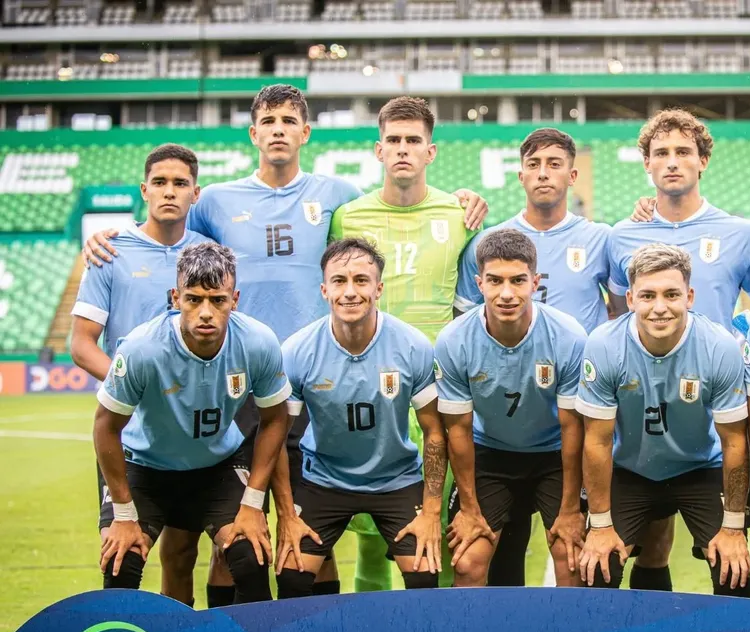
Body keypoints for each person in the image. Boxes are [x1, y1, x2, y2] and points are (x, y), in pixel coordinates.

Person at [81, 85, 488, 604]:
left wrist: (465, 199)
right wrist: (115, 236)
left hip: (313, 382)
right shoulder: (219, 202)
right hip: (233, 383)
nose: (277, 129)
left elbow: (399, 192)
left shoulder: (339, 196)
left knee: (305, 525)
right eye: (267, 120)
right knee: (230, 537)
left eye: (288, 120)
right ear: (254, 134)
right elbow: (174, 241)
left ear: (305, 133)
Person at [607, 109, 750, 593]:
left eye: (683, 152)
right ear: (647, 165)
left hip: (716, 408)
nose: (672, 162)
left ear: (703, 162)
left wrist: (740, 341)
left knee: (730, 553)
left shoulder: (741, 233)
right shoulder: (622, 235)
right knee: (648, 542)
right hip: (641, 410)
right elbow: (620, 315)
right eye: (661, 153)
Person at [330, 96, 488, 591]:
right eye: (393, 140)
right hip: (368, 391)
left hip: (437, 393)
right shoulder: (347, 217)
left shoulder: (461, 214)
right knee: (371, 537)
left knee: (434, 530)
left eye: (413, 141)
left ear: (431, 151)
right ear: (378, 150)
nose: (403, 149)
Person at [454, 127, 612, 587]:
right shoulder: (489, 242)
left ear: (573, 175)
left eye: (555, 164)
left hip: (569, 418)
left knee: (576, 557)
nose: (544, 173)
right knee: (498, 558)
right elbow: (468, 324)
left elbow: (622, 313)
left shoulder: (602, 238)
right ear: (520, 174)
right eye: (535, 165)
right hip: (500, 422)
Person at [94, 241, 290, 603]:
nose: (205, 312)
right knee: (122, 563)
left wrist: (252, 502)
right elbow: (106, 426)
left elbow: (276, 419)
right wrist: (123, 513)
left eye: (218, 300)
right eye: (193, 299)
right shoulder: (142, 349)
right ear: (174, 298)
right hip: (144, 467)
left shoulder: (259, 342)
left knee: (250, 555)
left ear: (235, 299)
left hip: (217, 466)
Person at [70, 144, 212, 605]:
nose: (169, 192)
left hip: (191, 424)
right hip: (129, 426)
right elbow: (81, 343)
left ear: (196, 193)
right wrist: (131, 384)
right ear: (144, 190)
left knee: (182, 551)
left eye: (180, 184)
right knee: (122, 549)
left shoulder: (209, 256)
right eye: (160, 182)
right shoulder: (111, 252)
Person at [272, 238, 446, 596]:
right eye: (339, 281)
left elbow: (434, 433)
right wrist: (287, 516)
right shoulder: (297, 351)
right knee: (291, 575)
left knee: (424, 572)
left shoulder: (412, 346)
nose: (350, 292)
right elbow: (276, 436)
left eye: (361, 281)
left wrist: (430, 514)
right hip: (324, 478)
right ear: (324, 289)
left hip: (395, 478)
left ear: (378, 288)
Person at [575, 243, 750, 594]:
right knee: (598, 568)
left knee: (733, 570)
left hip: (700, 469)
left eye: (671, 294)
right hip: (632, 470)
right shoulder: (604, 345)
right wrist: (599, 526)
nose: (659, 308)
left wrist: (733, 527)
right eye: (647, 296)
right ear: (629, 300)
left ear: (689, 296)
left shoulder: (719, 347)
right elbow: (596, 441)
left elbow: (735, 442)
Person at [435, 228, 587, 587]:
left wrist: (569, 510)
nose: (506, 293)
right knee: (468, 560)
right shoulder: (455, 340)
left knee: (572, 558)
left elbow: (572, 428)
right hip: (491, 455)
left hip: (552, 457)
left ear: (535, 282)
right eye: (495, 281)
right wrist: (470, 509)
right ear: (479, 284)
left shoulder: (568, 337)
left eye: (518, 280)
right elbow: (457, 429)